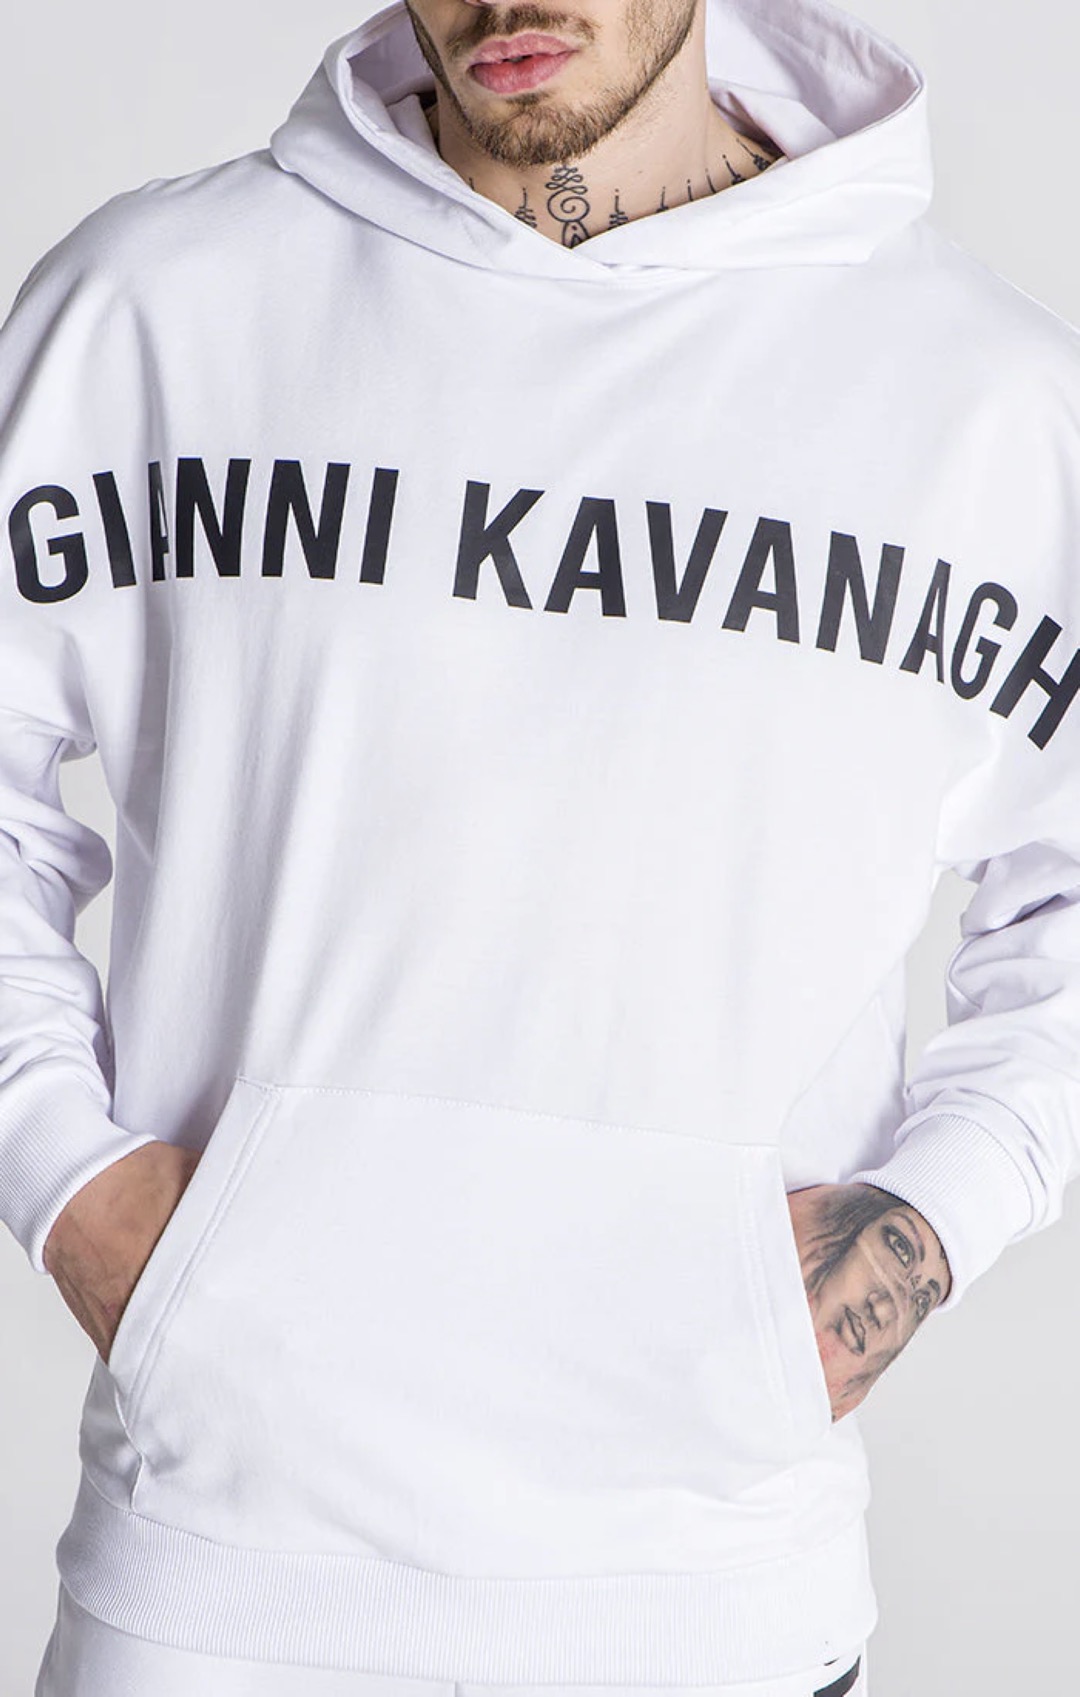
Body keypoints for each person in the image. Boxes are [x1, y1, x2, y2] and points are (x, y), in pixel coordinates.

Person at [3, 0, 1079, 1687]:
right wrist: (65, 1175)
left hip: (713, 1601)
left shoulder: (988, 404)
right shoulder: (152, 311)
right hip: (215, 1587)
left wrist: (925, 1226)